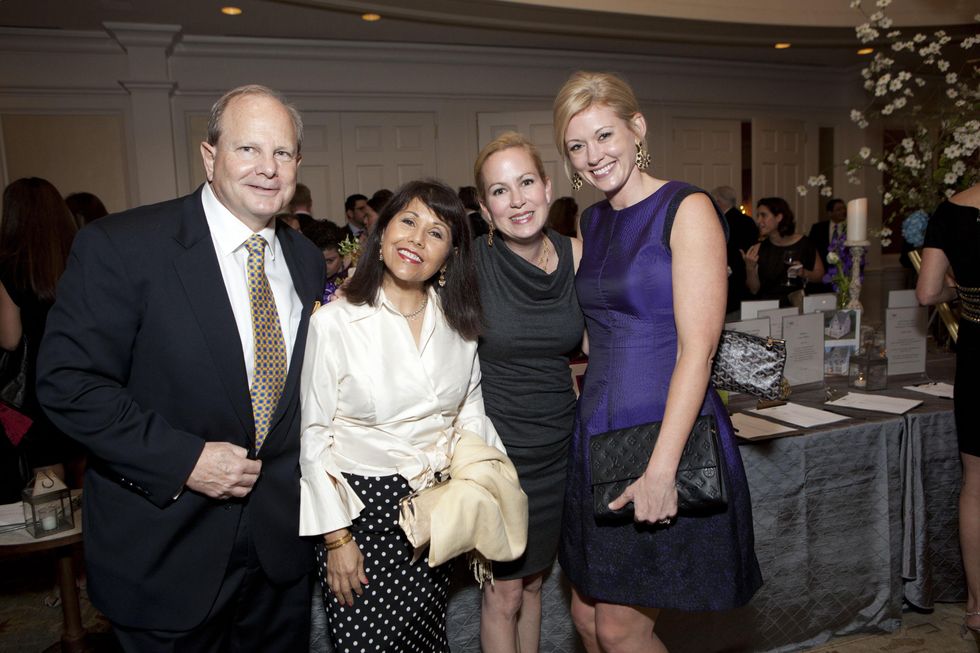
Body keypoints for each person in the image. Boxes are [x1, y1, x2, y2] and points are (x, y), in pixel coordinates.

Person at [36, 84, 325, 652]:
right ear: (210, 156)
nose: (268, 169)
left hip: (278, 563)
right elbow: (68, 383)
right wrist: (184, 459)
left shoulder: (306, 260)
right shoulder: (124, 247)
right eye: (249, 150)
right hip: (166, 553)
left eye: (284, 153)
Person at [552, 70, 762, 652]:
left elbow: (700, 349)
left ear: (636, 127)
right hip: (597, 431)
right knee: (589, 618)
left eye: (604, 136)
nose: (593, 157)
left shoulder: (685, 207)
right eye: (576, 145)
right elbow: (598, 329)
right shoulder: (590, 220)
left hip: (663, 433)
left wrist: (662, 470)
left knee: (621, 626)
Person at [299, 179, 502, 652]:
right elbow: (312, 436)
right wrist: (335, 539)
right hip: (360, 513)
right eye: (408, 221)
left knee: (427, 636)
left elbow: (471, 409)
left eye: (436, 232)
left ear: (450, 254)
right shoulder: (336, 323)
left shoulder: (459, 323)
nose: (416, 239)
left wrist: (473, 490)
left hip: (434, 507)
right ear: (383, 230)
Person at [472, 132, 584, 653]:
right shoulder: (467, 268)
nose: (516, 200)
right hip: (499, 451)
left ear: (546, 185)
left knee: (536, 583)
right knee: (504, 595)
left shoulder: (579, 257)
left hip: (561, 445)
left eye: (525, 183)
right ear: (483, 206)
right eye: (499, 191)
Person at [916, 182, 980, 645]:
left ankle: (979, 608)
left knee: (976, 487)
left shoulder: (952, 210)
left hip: (979, 359)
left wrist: (959, 288)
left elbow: (926, 292)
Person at [0, 178, 79, 500]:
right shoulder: (81, 259)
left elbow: (9, 339)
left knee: (47, 473)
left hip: (39, 387)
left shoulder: (10, 268)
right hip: (86, 377)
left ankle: (57, 547)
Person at [743, 196, 825, 305]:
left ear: (779, 217)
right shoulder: (759, 248)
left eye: (763, 215)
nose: (758, 221)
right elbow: (754, 290)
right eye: (758, 216)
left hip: (797, 308)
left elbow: (820, 276)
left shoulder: (805, 243)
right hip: (768, 308)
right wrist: (749, 267)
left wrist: (803, 272)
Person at [807, 197, 848, 294]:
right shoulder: (818, 228)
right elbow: (811, 249)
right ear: (830, 213)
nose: (843, 211)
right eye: (839, 209)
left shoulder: (850, 228)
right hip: (821, 278)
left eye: (844, 208)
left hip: (842, 275)